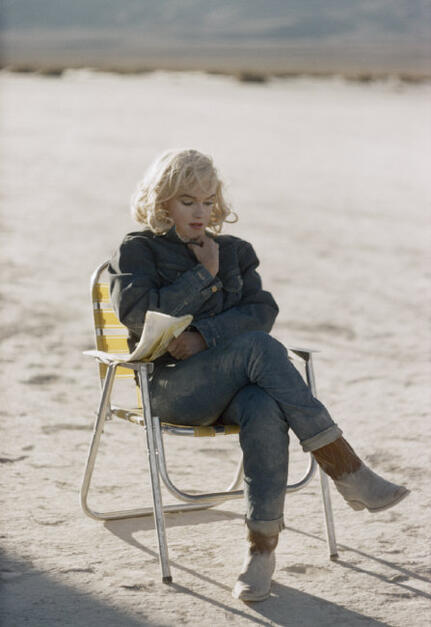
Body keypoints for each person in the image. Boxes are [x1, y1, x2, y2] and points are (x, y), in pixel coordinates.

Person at [109, 148, 409, 602]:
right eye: (187, 201)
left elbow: (261, 311)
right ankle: (348, 470)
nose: (200, 212)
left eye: (207, 201)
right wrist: (204, 275)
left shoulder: (235, 251)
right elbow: (135, 315)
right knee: (260, 348)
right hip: (170, 389)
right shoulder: (137, 249)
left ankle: (261, 550)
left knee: (264, 404)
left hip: (231, 388)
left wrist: (205, 336)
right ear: (162, 202)